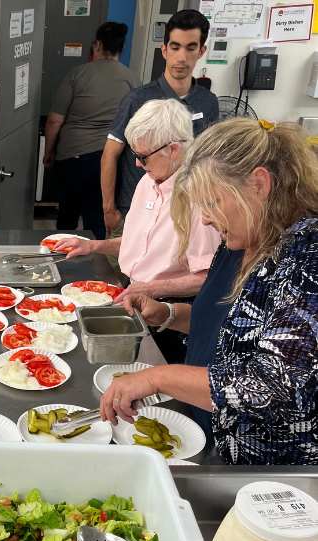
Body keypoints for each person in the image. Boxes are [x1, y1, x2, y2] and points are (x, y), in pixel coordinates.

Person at [100, 118, 318, 465]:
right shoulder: (240, 239)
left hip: (257, 469)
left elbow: (272, 388)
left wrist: (158, 377)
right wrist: (166, 313)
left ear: (259, 184)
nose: (203, 219)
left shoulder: (306, 258)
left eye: (212, 202)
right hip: (202, 433)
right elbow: (227, 323)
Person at [55, 99, 220, 363]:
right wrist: (95, 245)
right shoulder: (149, 181)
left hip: (171, 314)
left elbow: (207, 276)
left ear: (173, 150)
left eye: (142, 156)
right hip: (137, 296)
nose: (137, 164)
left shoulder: (197, 198)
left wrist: (153, 288)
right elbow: (141, 242)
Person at [101, 9, 219, 243]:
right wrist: (109, 210)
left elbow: (209, 160)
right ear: (164, 50)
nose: (182, 57)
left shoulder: (208, 102)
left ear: (201, 51)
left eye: (190, 48)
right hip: (136, 210)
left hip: (186, 214)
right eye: (175, 47)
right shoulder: (137, 99)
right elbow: (109, 155)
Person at [43, 22, 138, 239]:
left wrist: (49, 151)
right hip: (110, 161)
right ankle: (95, 268)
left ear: (97, 45)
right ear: (122, 48)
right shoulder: (132, 79)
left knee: (67, 218)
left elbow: (54, 120)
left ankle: (61, 265)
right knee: (96, 220)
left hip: (72, 160)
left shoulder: (78, 74)